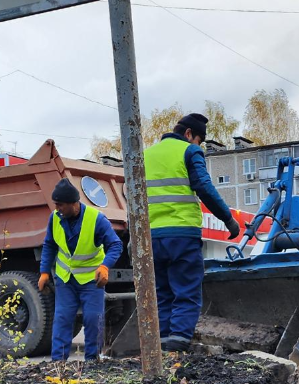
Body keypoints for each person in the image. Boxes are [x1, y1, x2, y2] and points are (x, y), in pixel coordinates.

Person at [143, 113, 240, 352]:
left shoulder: (145, 155)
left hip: (152, 237)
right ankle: (178, 343)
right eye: (199, 140)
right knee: (186, 290)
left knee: (163, 293)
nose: (199, 147)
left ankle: (164, 345)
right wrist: (228, 219)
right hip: (181, 234)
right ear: (188, 134)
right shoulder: (189, 151)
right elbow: (204, 187)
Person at [38, 178, 123, 361]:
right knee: (62, 318)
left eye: (60, 204)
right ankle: (58, 363)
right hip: (65, 278)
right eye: (56, 204)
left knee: (93, 319)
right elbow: (49, 245)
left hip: (92, 280)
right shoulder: (55, 217)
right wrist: (44, 271)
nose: (57, 208)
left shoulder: (96, 219)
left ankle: (92, 361)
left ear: (73, 203)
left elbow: (116, 245)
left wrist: (105, 266)